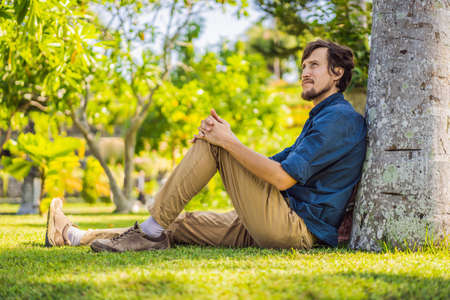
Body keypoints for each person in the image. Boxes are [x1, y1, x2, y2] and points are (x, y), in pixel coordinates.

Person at [45, 39, 367, 252]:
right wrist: (229, 143)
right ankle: (73, 235)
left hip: (294, 228)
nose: (304, 73)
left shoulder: (339, 119)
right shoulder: (321, 117)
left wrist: (225, 142)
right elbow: (272, 164)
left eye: (313, 65)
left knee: (215, 143)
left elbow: (283, 178)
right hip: (275, 217)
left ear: (337, 73)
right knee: (178, 222)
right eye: (303, 66)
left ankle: (150, 232)